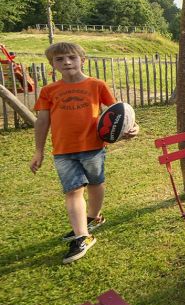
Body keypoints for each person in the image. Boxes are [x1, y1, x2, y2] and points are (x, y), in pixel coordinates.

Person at [29, 42, 138, 264]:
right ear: (52, 65)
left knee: (96, 183)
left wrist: (134, 128)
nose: (66, 62)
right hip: (63, 151)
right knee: (73, 191)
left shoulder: (97, 85)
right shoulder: (49, 91)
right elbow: (42, 122)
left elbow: (120, 112)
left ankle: (92, 218)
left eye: (71, 57)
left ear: (82, 60)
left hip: (94, 148)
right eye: (59, 59)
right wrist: (38, 151)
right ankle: (82, 236)